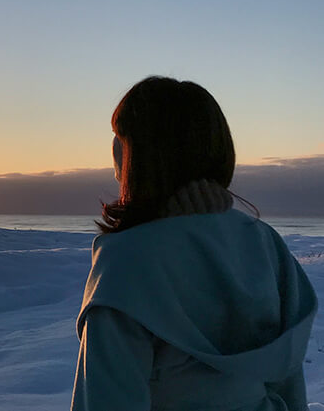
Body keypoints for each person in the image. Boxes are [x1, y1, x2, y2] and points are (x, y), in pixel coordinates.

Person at [71, 76, 318, 411]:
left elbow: (106, 398)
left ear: (140, 155)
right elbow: (287, 378)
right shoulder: (264, 244)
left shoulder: (129, 261)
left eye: (120, 139)